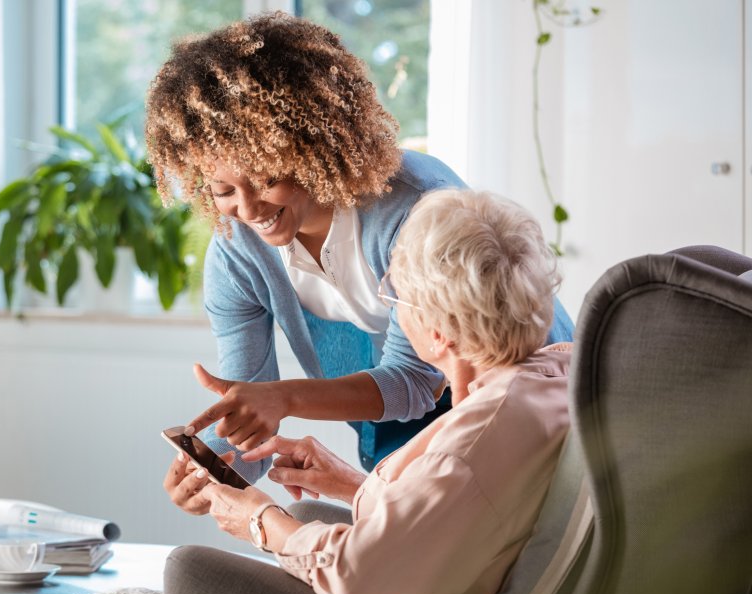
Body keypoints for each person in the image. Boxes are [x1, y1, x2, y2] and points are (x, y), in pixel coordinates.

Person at [22, 188, 573, 594]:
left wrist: (260, 519)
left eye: (396, 298)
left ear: (435, 331)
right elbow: (457, 520)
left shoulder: (476, 439)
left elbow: (359, 566)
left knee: (157, 588)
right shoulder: (542, 379)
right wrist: (347, 485)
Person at [144, 12, 574, 476]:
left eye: (266, 180)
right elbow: (252, 409)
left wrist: (285, 398)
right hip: (415, 417)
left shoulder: (415, 210)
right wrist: (217, 471)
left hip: (530, 402)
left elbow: (415, 381)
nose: (247, 211)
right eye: (222, 191)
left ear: (310, 149)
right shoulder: (238, 258)